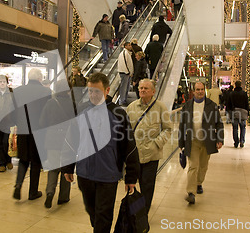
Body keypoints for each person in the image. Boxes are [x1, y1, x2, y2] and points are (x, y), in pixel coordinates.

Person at [63, 72, 140, 232]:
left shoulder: (118, 114)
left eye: (97, 91)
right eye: (90, 91)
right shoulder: (82, 110)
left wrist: (131, 176)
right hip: (85, 173)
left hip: (108, 175)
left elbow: (129, 145)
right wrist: (68, 166)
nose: (93, 95)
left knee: (103, 215)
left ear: (107, 90)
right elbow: (71, 140)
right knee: (93, 212)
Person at [126, 79, 171, 213]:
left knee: (147, 185)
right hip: (135, 154)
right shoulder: (131, 107)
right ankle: (136, 208)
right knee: (133, 184)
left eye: (146, 88)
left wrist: (157, 143)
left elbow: (168, 129)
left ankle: (143, 212)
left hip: (152, 154)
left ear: (153, 91)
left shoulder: (160, 107)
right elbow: (126, 130)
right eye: (141, 88)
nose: (142, 90)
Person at [179, 82, 224, 204]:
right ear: (193, 91)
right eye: (197, 89)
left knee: (203, 166)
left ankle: (199, 183)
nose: (200, 91)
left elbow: (219, 123)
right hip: (192, 141)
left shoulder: (212, 105)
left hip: (207, 140)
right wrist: (181, 143)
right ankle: (191, 193)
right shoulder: (187, 106)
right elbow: (182, 125)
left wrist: (219, 139)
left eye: (202, 89)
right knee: (193, 166)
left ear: (205, 90)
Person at [12, 69, 51, 200]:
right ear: (40, 78)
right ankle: (32, 192)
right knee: (36, 161)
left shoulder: (18, 91)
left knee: (23, 159)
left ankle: (18, 185)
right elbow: (48, 113)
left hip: (23, 129)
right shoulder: (46, 92)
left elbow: (14, 111)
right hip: (39, 131)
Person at [40, 79, 73, 208]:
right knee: (66, 169)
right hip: (67, 141)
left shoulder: (50, 103)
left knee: (53, 169)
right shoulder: (73, 104)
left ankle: (49, 193)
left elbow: (42, 122)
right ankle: (63, 197)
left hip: (52, 139)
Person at [229, 81, 249, 148]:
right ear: (240, 85)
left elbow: (229, 103)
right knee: (243, 127)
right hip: (243, 112)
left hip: (234, 112)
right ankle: (242, 141)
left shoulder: (232, 93)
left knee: (235, 128)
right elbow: (247, 103)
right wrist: (247, 112)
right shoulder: (244, 94)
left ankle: (236, 142)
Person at [117, 42, 134, 106]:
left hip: (126, 72)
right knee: (124, 87)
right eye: (129, 45)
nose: (130, 46)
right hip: (125, 72)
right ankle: (122, 100)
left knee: (126, 87)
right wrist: (129, 72)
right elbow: (126, 63)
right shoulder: (125, 53)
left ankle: (124, 99)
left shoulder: (127, 53)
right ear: (125, 46)